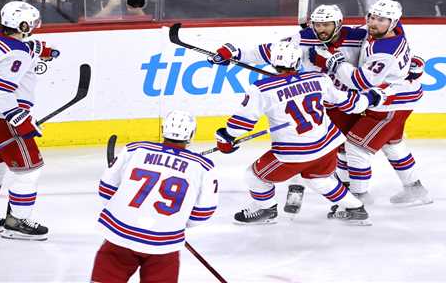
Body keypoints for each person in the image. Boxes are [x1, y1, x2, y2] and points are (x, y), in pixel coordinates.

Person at [213, 41, 387, 225]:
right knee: (320, 180)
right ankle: (355, 208)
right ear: (297, 62)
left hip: (294, 153)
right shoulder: (318, 79)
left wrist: (226, 136)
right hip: (327, 145)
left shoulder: (262, 89)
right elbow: (349, 103)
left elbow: (242, 123)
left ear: (272, 63)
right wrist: (371, 97)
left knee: (254, 176)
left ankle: (266, 210)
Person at [312, 0, 432, 205]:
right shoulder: (388, 30)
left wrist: (335, 63)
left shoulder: (385, 52)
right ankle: (415, 189)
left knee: (356, 147)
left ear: (392, 23)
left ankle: (358, 199)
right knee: (392, 144)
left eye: (381, 20)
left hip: (391, 103)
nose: (373, 23)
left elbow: (360, 81)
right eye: (372, 17)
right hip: (399, 98)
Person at [0, 1, 59, 240]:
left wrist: (36, 49)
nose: (37, 25)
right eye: (33, 22)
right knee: (29, 170)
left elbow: (12, 52)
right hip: (0, 118)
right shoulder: (17, 52)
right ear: (23, 25)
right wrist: (20, 120)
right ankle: (16, 222)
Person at [91, 110, 219, 283]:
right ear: (191, 134)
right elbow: (202, 213)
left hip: (120, 234)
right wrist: (171, 223)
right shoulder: (204, 167)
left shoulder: (134, 149)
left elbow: (106, 190)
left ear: (163, 128)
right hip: (164, 243)